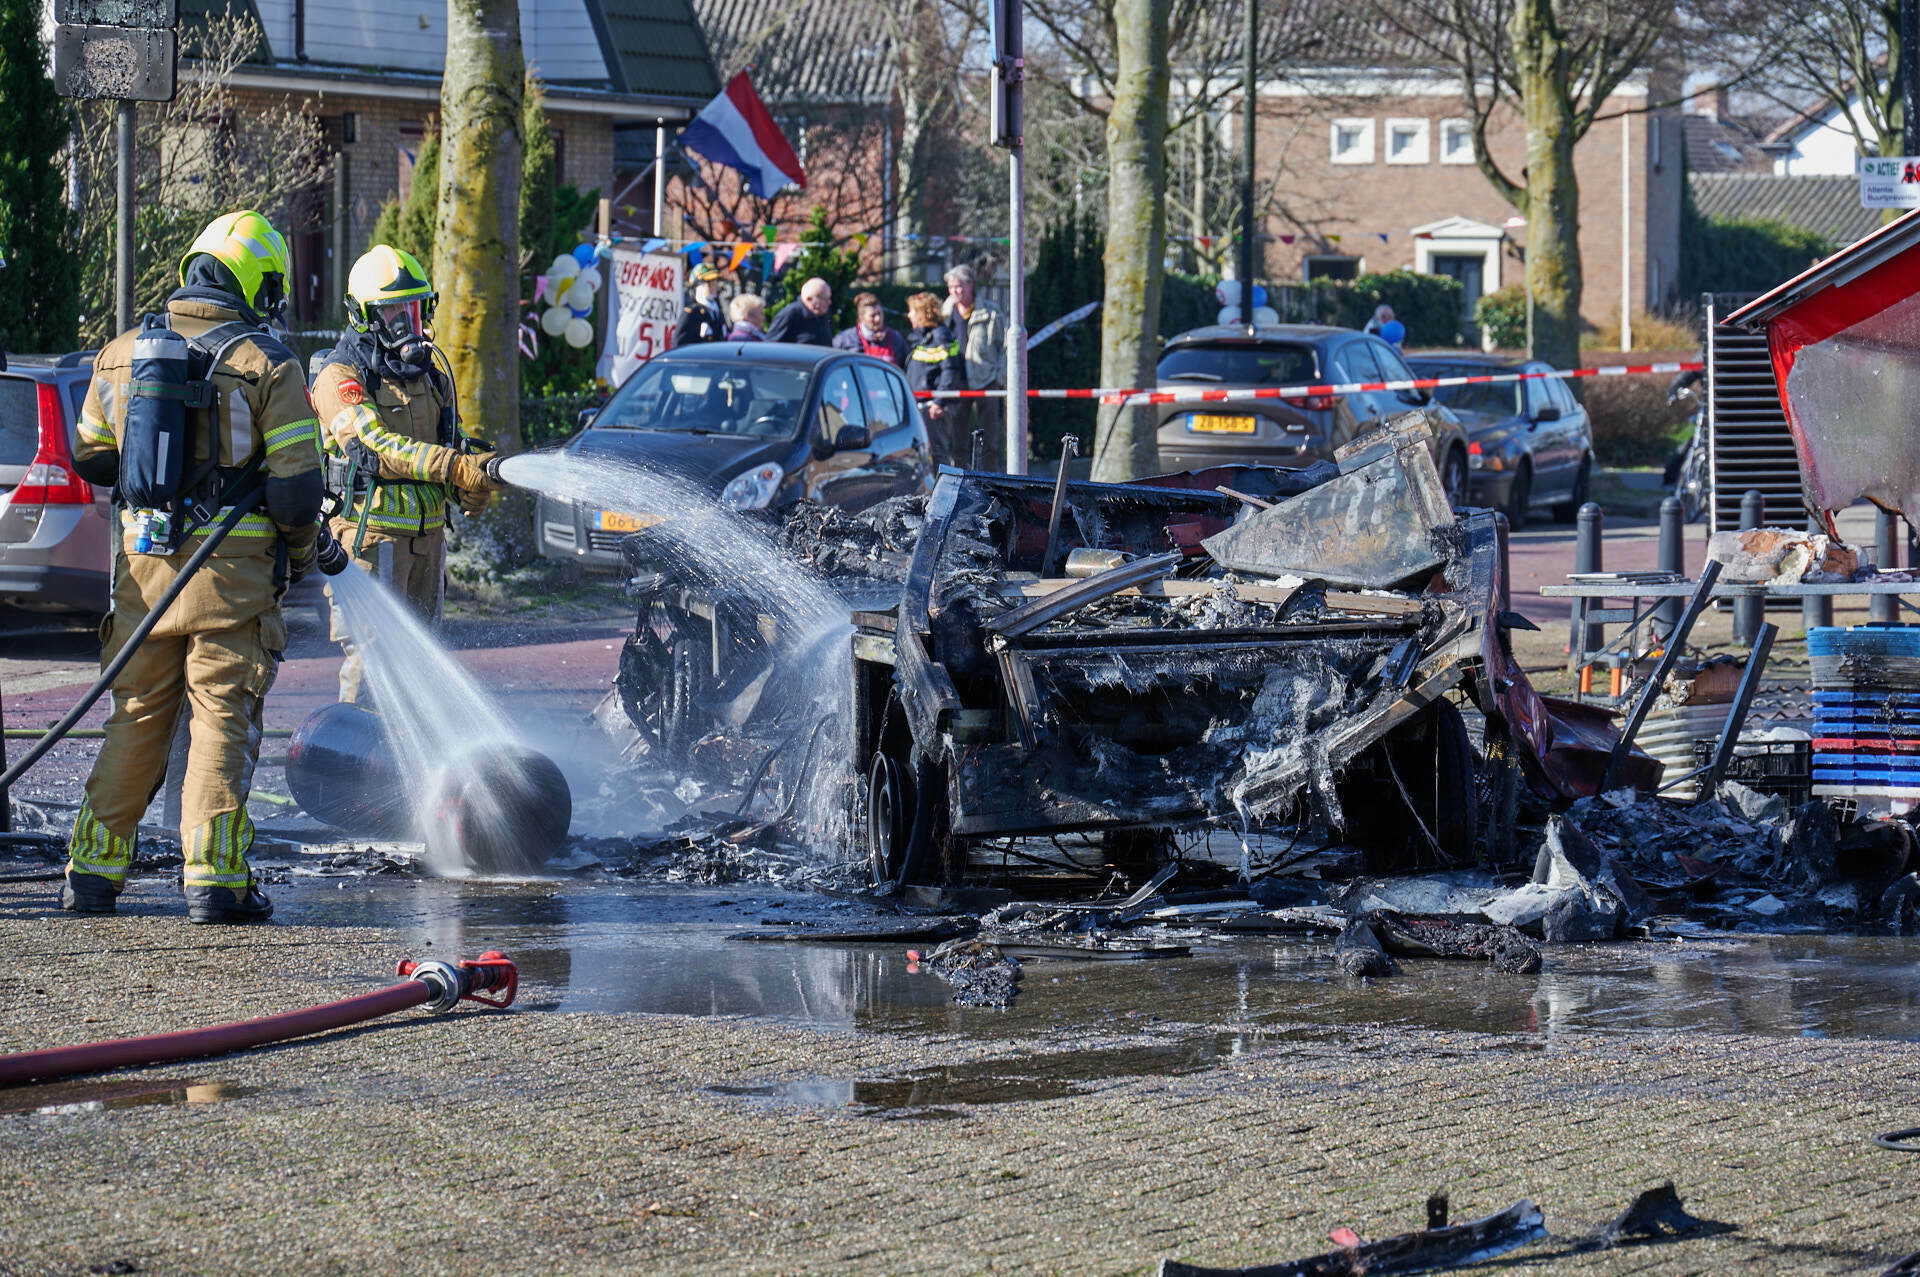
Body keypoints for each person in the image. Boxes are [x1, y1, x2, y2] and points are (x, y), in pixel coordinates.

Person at [60, 210, 326, 925]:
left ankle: (91, 873)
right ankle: (215, 880)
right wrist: (303, 556)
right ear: (254, 283)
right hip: (230, 585)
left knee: (135, 716)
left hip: (142, 575)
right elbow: (297, 492)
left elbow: (90, 456)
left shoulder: (120, 354)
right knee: (220, 718)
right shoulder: (269, 363)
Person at [311, 245, 504, 704]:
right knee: (371, 670)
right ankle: (353, 748)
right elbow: (375, 447)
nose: (408, 324)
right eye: (394, 313)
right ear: (363, 316)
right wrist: (452, 466)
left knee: (424, 666)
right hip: (371, 544)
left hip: (428, 546)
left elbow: (452, 444)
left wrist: (469, 483)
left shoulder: (431, 377)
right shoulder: (341, 377)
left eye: (414, 310)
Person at [940, 264, 1009, 471]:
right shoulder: (944, 312)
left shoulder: (990, 312)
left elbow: (1006, 347)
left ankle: (990, 479)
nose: (954, 291)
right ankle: (960, 479)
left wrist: (999, 376)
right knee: (958, 439)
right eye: (951, 287)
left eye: (958, 286)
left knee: (989, 440)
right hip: (957, 381)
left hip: (986, 380)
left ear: (970, 285)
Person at [903, 291, 965, 464]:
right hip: (921, 404)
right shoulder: (923, 337)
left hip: (934, 407)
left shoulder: (940, 336)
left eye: (912, 311)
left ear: (922, 313)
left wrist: (939, 402)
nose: (908, 315)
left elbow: (951, 370)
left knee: (938, 452)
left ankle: (941, 482)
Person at [833, 292, 907, 368]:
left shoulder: (895, 338)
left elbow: (907, 367)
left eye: (879, 313)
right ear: (861, 318)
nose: (877, 319)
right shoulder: (846, 339)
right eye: (873, 315)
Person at [672, 263, 728, 347]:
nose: (714, 286)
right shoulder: (692, 313)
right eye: (709, 283)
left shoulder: (717, 312)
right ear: (698, 286)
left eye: (715, 282)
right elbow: (679, 343)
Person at [767, 277, 834, 345]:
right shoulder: (791, 315)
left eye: (829, 298)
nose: (829, 302)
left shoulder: (824, 315)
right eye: (825, 299)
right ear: (809, 299)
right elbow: (770, 346)